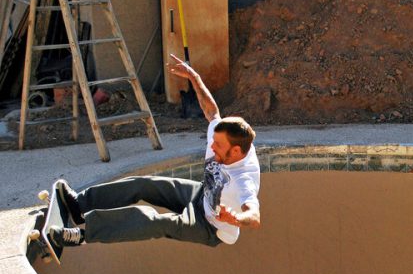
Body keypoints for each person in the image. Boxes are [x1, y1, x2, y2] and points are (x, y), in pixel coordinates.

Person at [49, 54, 260, 248]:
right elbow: (211, 111)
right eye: (213, 142)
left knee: (156, 221)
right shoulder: (222, 133)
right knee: (144, 185)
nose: (212, 148)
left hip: (210, 227)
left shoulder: (244, 179)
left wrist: (236, 219)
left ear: (236, 151)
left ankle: (82, 235)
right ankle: (79, 204)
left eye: (218, 147)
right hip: (201, 194)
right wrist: (193, 76)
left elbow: (254, 215)